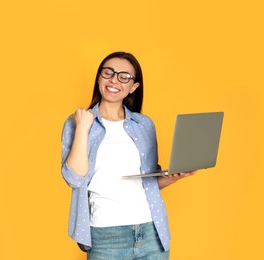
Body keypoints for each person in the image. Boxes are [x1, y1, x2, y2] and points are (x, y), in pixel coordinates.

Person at [61, 51, 195, 259]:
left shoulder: (144, 125)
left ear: (133, 87)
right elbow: (74, 178)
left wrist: (174, 176)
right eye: (109, 73)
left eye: (124, 76)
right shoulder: (78, 122)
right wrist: (82, 128)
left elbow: (149, 181)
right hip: (105, 234)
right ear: (99, 77)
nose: (114, 80)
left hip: (152, 231)